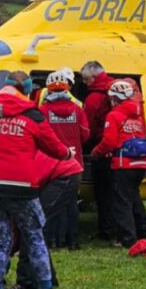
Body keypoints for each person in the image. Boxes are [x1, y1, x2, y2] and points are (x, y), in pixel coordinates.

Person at [0, 71, 73, 289]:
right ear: (26, 90)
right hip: (20, 187)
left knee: (2, 241)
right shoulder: (31, 115)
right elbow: (54, 148)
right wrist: (67, 153)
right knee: (34, 236)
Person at [7, 153, 83, 289]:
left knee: (31, 228)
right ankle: (49, 277)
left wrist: (9, 249)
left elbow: (19, 224)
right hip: (60, 172)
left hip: (63, 175)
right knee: (34, 228)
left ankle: (27, 283)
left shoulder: (11, 177)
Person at [91, 79, 146, 249]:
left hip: (123, 163)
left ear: (114, 99)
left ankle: (127, 238)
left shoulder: (114, 115)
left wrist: (96, 152)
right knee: (134, 197)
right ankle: (143, 230)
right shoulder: (138, 114)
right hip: (141, 163)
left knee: (121, 202)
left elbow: (109, 142)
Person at [40, 69, 90, 249]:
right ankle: (73, 241)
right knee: (71, 203)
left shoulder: (43, 111)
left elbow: (39, 136)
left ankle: (53, 240)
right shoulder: (78, 109)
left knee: (51, 204)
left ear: (49, 89)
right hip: (74, 164)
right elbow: (85, 135)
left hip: (50, 164)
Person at [80, 61, 115, 241]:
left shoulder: (93, 98)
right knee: (118, 192)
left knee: (103, 192)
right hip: (118, 152)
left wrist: (86, 146)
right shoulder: (113, 88)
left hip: (102, 148)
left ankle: (106, 230)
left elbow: (89, 127)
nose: (84, 83)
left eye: (86, 79)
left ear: (94, 77)